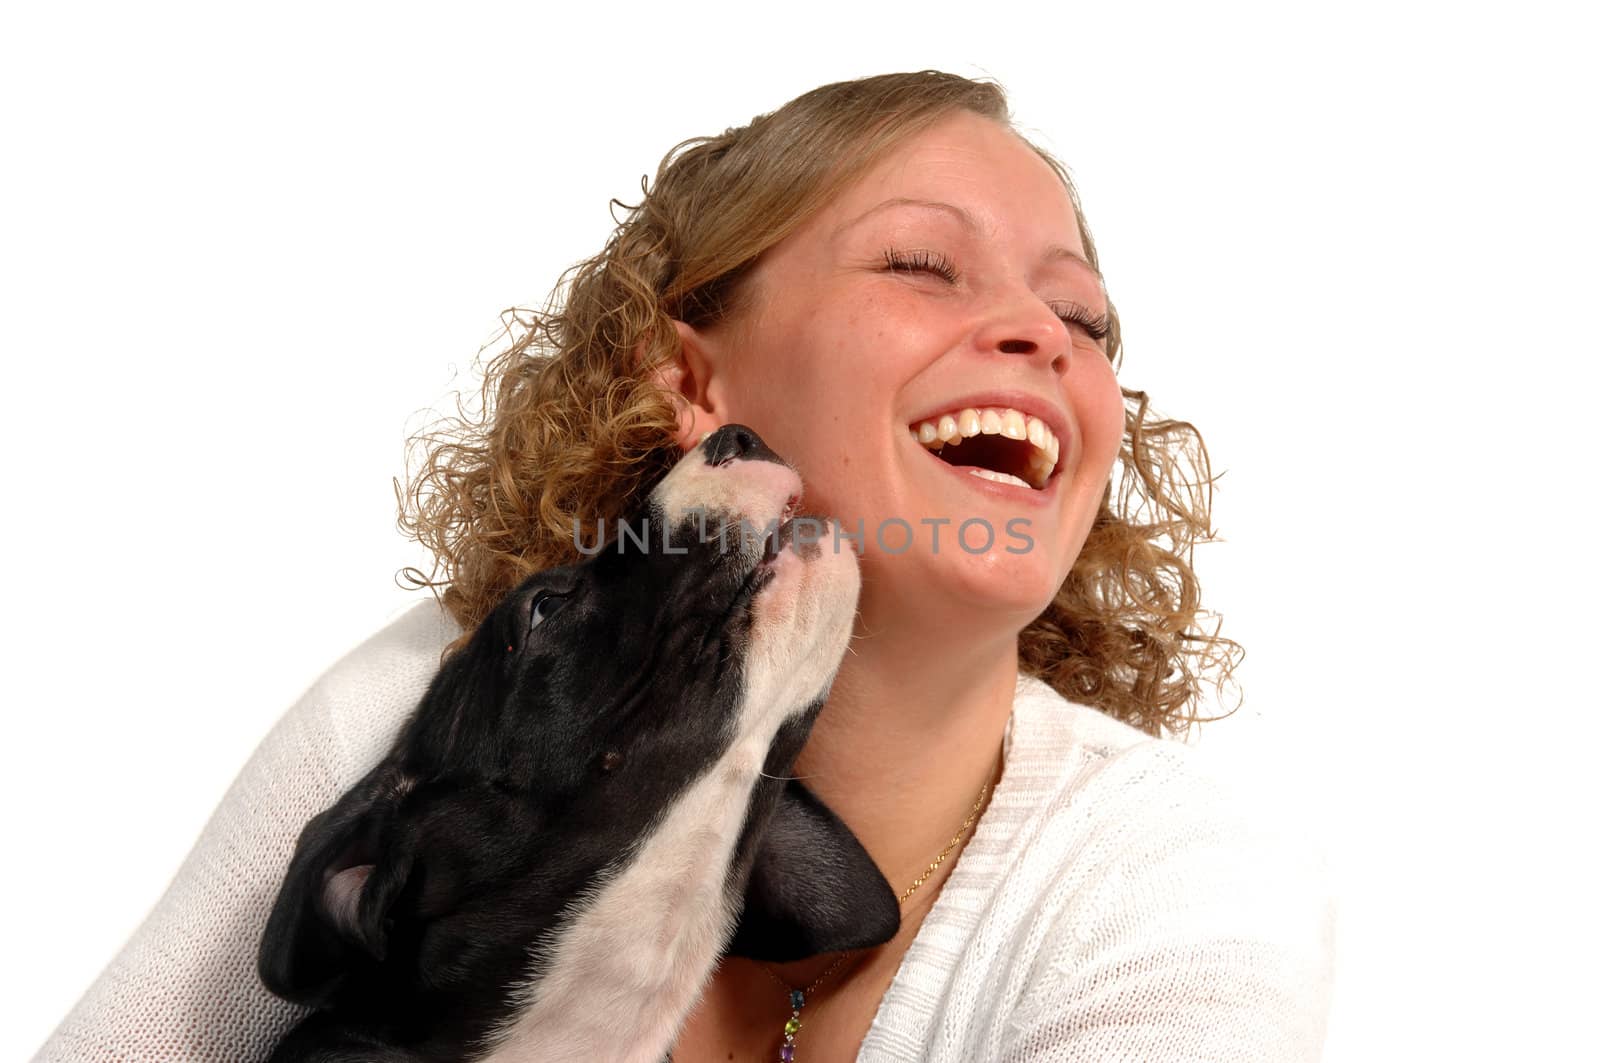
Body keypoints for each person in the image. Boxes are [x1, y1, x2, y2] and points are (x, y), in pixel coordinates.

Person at [36, 70, 1333, 1062]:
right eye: (922, 265)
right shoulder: (428, 707)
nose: (1037, 335)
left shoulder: (1171, 879)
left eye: (1082, 317)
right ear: (695, 383)